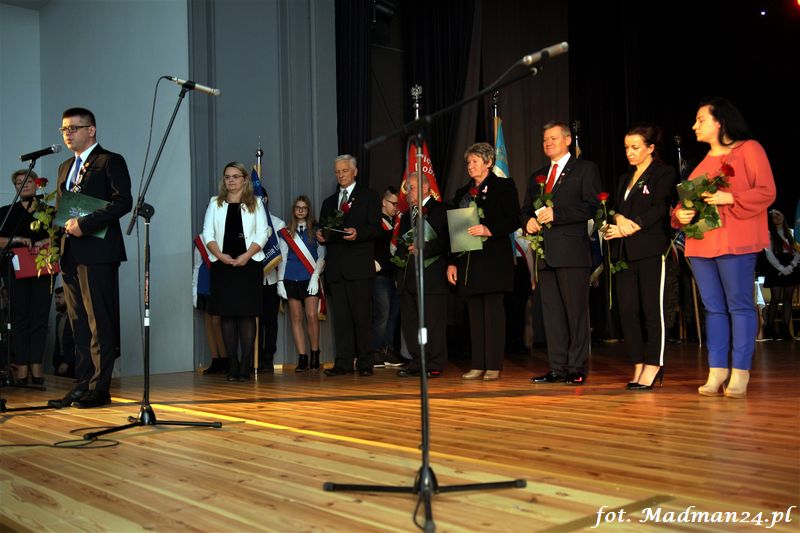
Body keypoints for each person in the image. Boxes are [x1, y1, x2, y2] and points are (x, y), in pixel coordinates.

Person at [673, 97, 776, 398]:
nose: (695, 125)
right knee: (713, 308)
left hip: (736, 241)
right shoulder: (701, 163)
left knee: (739, 306)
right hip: (702, 244)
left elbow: (767, 191)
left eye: (700, 119)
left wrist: (731, 198)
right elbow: (685, 203)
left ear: (720, 122)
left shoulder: (749, 149)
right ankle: (717, 369)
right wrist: (680, 215)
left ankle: (740, 371)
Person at [47, 108, 132, 409]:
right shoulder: (65, 167)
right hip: (70, 254)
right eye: (64, 129)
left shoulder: (109, 160)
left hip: (98, 253)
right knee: (78, 323)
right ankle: (81, 385)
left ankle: (99, 388)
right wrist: (54, 250)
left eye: (73, 128)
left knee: (99, 322)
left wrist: (86, 224)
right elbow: (61, 213)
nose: (67, 134)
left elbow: (123, 202)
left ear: (91, 130)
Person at [524, 121, 601, 386]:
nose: (548, 143)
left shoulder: (585, 169)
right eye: (545, 139)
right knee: (552, 316)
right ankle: (557, 367)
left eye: (553, 138)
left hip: (571, 252)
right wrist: (528, 222)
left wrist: (557, 214)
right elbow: (525, 210)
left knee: (575, 313)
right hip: (545, 254)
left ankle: (577, 367)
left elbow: (592, 207)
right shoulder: (538, 176)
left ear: (568, 140)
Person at [604, 124, 676, 390]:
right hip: (624, 252)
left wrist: (631, 225)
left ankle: (654, 364)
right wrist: (618, 218)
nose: (630, 152)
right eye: (626, 148)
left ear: (650, 148)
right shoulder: (625, 177)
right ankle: (637, 363)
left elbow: (661, 207)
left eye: (635, 147)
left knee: (652, 310)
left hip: (650, 250)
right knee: (627, 310)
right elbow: (615, 208)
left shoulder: (663, 173)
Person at [447, 143, 519, 381]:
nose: (470, 166)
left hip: (494, 260)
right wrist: (452, 262)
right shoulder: (462, 193)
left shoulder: (503, 187)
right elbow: (454, 231)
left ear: (488, 162)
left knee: (493, 314)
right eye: (468, 162)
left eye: (475, 161)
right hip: (469, 261)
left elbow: (514, 219)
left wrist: (489, 229)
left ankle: (493, 365)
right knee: (475, 315)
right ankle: (477, 364)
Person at [202, 162, 269, 382]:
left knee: (247, 315)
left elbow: (263, 233)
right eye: (227, 177)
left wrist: (246, 256)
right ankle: (233, 364)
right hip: (223, 265)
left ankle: (245, 365)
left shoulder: (255, 203)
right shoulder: (215, 203)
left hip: (248, 264)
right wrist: (220, 256)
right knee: (227, 316)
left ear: (244, 179)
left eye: (235, 176)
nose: (230, 180)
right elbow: (207, 234)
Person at [316, 155, 381, 377]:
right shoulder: (328, 202)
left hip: (359, 267)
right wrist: (321, 236)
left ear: (355, 172)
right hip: (336, 269)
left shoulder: (369, 196)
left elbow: (376, 228)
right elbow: (325, 230)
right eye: (337, 172)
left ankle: (365, 363)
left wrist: (358, 233)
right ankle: (343, 363)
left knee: (362, 317)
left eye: (344, 171)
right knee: (341, 320)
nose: (340, 175)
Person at [0, 169, 54, 385]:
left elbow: (60, 237)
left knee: (40, 315)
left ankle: (36, 364)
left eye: (28, 181)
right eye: (19, 183)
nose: (24, 185)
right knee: (19, 316)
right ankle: (22, 364)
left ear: (36, 184)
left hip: (43, 267)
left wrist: (45, 241)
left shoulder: (47, 210)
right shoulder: (7, 211)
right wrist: (17, 239)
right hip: (15, 269)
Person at [396, 173, 449, 378]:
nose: (408, 192)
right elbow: (402, 245)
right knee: (411, 323)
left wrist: (423, 249)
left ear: (425, 188)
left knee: (432, 322)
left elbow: (446, 242)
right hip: (409, 277)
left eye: (412, 187)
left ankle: (435, 362)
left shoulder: (441, 210)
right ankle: (417, 361)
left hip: (432, 277)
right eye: (407, 188)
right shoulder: (407, 215)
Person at [277, 195, 326, 371]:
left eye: (304, 208)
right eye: (298, 207)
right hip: (291, 278)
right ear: (294, 210)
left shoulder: (316, 230)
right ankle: (302, 357)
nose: (300, 210)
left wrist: (315, 276)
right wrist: (280, 281)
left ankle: (315, 354)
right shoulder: (286, 232)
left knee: (311, 316)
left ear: (308, 210)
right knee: (296, 318)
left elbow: (322, 257)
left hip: (310, 278)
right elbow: (283, 258)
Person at [372, 186, 403, 366]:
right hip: (380, 276)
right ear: (384, 202)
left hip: (394, 275)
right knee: (382, 315)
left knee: (393, 315)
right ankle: (375, 352)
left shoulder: (397, 223)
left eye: (398, 204)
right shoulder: (376, 222)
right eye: (393, 203)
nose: (396, 207)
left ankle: (387, 350)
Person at [192, 234, 228, 374]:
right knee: (208, 323)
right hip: (204, 283)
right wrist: (194, 291)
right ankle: (215, 359)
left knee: (216, 321)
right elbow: (197, 266)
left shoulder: (223, 234)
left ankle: (225, 359)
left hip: (219, 283)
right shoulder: (201, 239)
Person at [259, 192, 285, 373]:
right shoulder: (248, 223)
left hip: (272, 280)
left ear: (266, 199)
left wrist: (281, 281)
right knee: (255, 321)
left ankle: (268, 357)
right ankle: (256, 357)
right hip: (254, 281)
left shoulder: (278, 224)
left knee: (270, 321)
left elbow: (282, 256)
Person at [762, 209, 799, 340]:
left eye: (778, 214)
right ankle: (770, 328)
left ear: (783, 215)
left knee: (788, 299)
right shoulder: (768, 234)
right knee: (775, 298)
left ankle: (785, 330)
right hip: (775, 267)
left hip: (791, 266)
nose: (776, 217)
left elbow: (797, 252)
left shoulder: (792, 233)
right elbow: (769, 254)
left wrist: (792, 266)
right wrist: (781, 268)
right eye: (773, 216)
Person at [52, 287, 76, 378]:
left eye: (59, 297)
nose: (56, 301)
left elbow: (77, 342)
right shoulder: (58, 317)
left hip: (73, 363)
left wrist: (67, 362)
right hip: (59, 361)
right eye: (56, 297)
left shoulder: (75, 317)